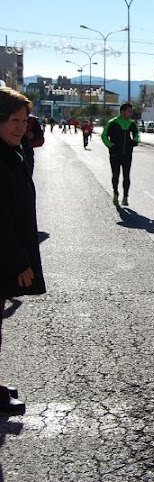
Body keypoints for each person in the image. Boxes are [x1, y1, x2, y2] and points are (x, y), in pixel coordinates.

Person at [0, 87, 47, 416]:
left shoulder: (11, 152)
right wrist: (19, 261)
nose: (20, 127)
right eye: (13, 121)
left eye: (24, 120)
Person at [101, 103, 140, 206]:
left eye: (131, 111)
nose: (131, 113)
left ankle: (125, 197)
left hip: (127, 154)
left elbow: (137, 134)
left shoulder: (131, 123)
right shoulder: (112, 123)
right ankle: (115, 194)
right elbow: (104, 136)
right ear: (122, 111)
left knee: (126, 175)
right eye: (129, 111)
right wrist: (110, 146)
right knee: (115, 174)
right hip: (115, 154)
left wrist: (134, 141)